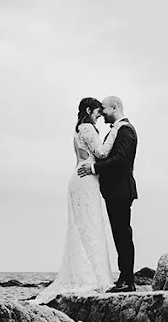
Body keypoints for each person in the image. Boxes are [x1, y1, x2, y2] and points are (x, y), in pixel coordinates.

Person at [33, 98, 120, 303]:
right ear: (89, 110)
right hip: (86, 181)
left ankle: (88, 276)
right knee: (91, 227)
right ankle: (93, 279)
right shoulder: (87, 128)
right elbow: (101, 152)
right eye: (98, 112)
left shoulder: (78, 129)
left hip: (79, 179)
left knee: (83, 229)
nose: (99, 116)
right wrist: (116, 130)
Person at [77, 95, 138, 292]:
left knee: (123, 234)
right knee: (119, 235)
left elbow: (120, 160)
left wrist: (94, 168)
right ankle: (124, 279)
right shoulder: (117, 131)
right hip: (114, 191)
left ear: (114, 107)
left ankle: (128, 281)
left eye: (104, 108)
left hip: (121, 190)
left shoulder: (126, 131)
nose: (102, 112)